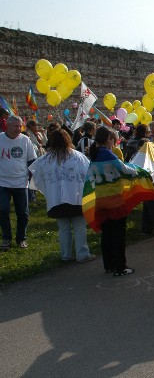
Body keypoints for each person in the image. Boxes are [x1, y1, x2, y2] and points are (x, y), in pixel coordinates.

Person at [29, 129, 96, 262]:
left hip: (56, 200)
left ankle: (66, 255)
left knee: (63, 228)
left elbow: (37, 177)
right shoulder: (77, 156)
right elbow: (88, 175)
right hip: (76, 198)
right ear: (67, 140)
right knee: (79, 227)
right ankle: (82, 254)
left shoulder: (44, 160)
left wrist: (49, 192)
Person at [87, 127, 140, 276]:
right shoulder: (109, 155)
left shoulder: (94, 156)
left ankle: (109, 265)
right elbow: (124, 169)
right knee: (118, 235)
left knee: (107, 234)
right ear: (108, 139)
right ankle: (120, 267)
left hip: (101, 201)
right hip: (114, 201)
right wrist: (137, 171)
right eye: (113, 140)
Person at [0, 116, 38, 251]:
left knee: (22, 213)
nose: (18, 129)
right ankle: (6, 238)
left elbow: (31, 160)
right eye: (16, 126)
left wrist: (31, 178)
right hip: (2, 182)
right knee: (3, 210)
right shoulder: (0, 139)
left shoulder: (25, 140)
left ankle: (21, 238)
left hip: (21, 183)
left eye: (20, 126)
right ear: (8, 125)